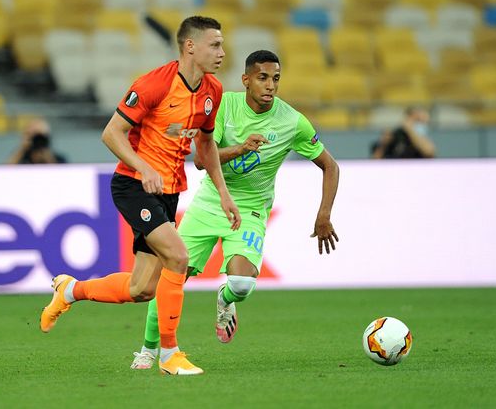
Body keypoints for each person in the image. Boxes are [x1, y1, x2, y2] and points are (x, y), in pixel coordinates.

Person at [39, 16, 241, 376]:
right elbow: (111, 133)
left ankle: (70, 291)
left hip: (168, 191)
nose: (222, 52)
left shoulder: (213, 90)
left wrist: (223, 192)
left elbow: (206, 144)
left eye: (221, 45)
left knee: (142, 289)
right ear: (190, 46)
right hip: (134, 184)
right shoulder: (154, 84)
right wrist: (144, 167)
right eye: (215, 44)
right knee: (178, 257)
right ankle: (169, 354)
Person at [130, 49, 340, 370]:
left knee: (241, 284)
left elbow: (330, 166)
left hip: (251, 208)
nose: (270, 85)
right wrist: (240, 149)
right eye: (262, 78)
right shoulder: (223, 105)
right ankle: (148, 349)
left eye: (276, 79)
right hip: (210, 201)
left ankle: (225, 300)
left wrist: (323, 215)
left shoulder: (292, 121)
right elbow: (200, 161)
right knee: (171, 277)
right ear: (246, 80)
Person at [370, 106, 436, 159]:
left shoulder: (421, 136)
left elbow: (429, 152)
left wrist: (410, 130)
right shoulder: (397, 135)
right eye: (416, 119)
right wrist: (384, 144)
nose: (421, 122)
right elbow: (376, 160)